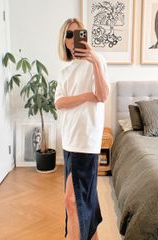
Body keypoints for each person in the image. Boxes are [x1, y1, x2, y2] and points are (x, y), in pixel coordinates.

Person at [55, 18, 110, 240]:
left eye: (78, 33)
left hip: (86, 140)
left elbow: (103, 95)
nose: (73, 38)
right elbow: (59, 102)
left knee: (72, 200)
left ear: (85, 37)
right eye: (69, 35)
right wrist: (87, 96)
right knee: (85, 198)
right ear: (65, 41)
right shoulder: (65, 71)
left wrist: (95, 61)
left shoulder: (97, 62)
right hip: (69, 139)